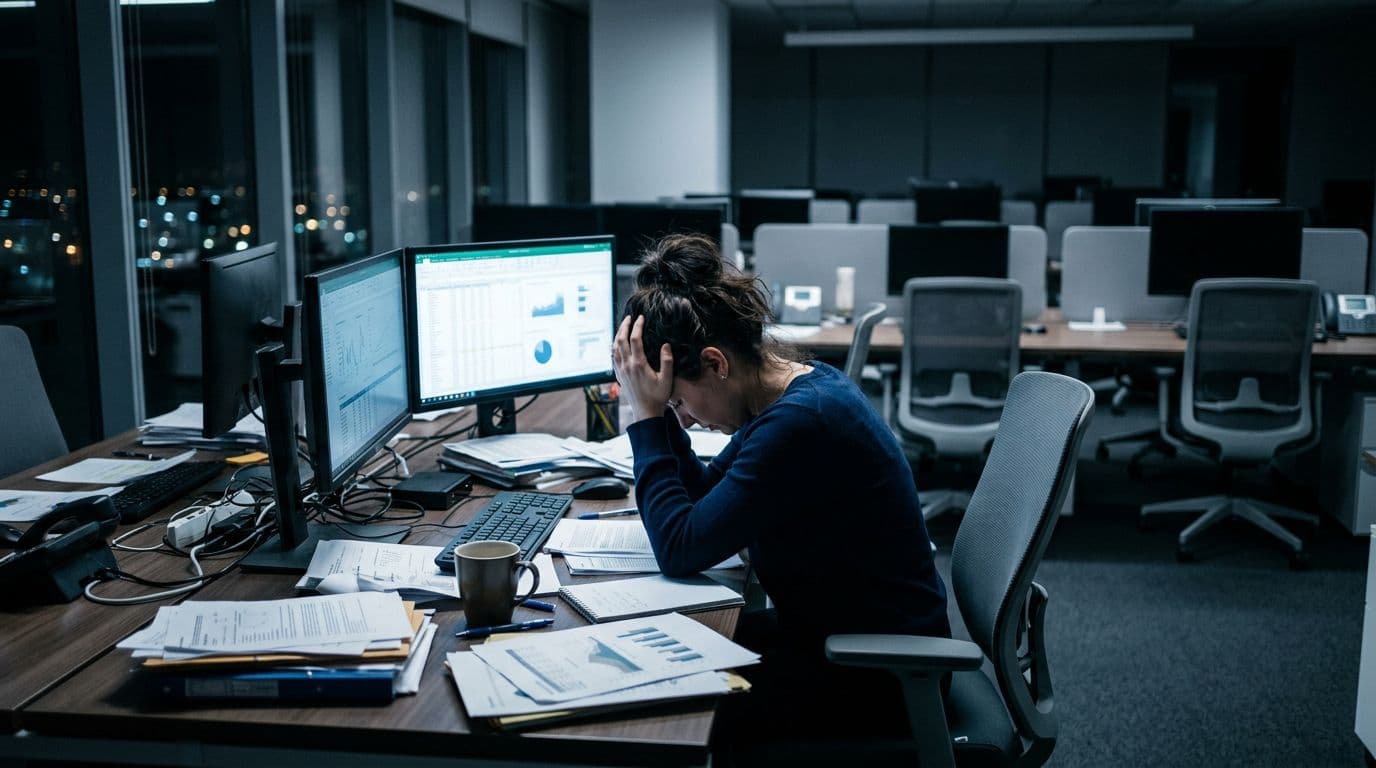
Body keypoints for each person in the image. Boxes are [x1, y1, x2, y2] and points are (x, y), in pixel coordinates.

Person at [612, 233, 950, 744]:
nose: (687, 420)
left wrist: (647, 419)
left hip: (875, 676)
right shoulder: (795, 390)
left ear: (715, 363)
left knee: (667, 716)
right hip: (837, 639)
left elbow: (680, 548)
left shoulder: (799, 425)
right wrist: (661, 418)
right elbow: (706, 495)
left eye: (680, 401)